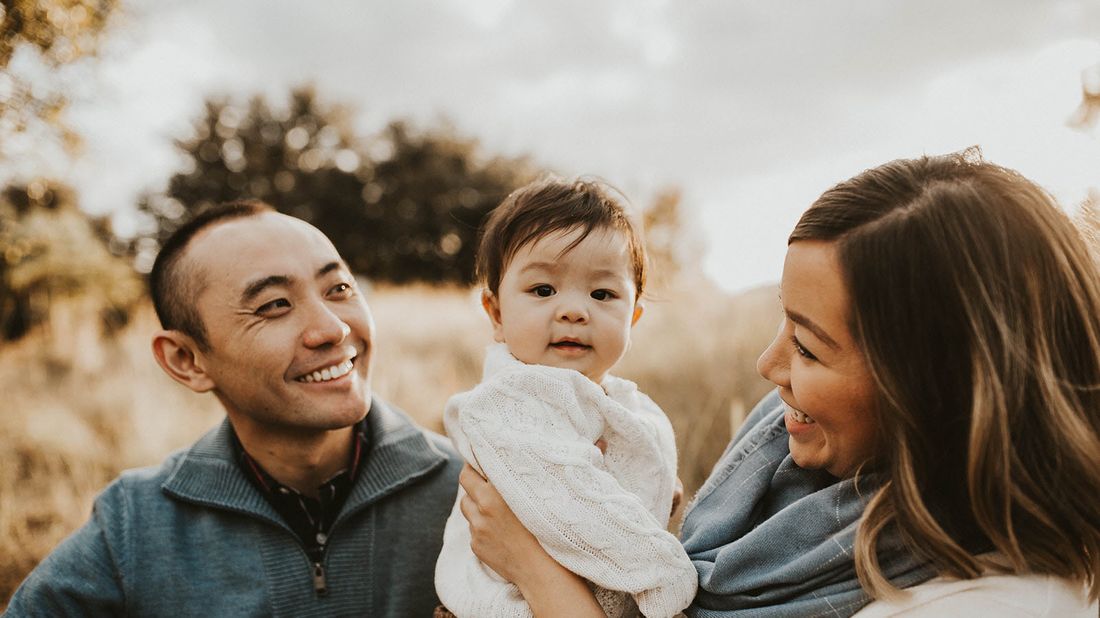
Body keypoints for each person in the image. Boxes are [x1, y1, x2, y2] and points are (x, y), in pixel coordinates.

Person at [457, 151, 1100, 616]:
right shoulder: (786, 468)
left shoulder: (993, 605)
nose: (768, 366)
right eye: (782, 324)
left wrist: (537, 573)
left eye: (808, 348)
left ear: (934, 393)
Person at [6, 201, 463, 616]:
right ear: (187, 361)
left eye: (339, 288)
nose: (332, 329)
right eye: (274, 306)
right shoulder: (135, 527)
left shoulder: (474, 493)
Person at [434, 179, 697, 618]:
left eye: (602, 294)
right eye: (543, 290)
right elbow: (576, 509)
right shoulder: (508, 403)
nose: (574, 310)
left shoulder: (628, 407)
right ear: (496, 313)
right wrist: (670, 576)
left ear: (632, 316)